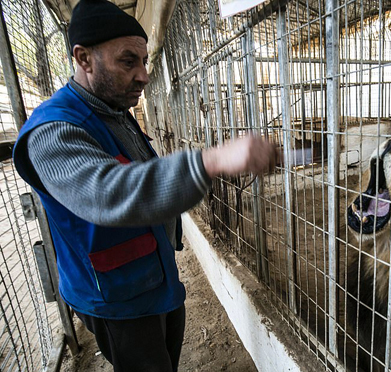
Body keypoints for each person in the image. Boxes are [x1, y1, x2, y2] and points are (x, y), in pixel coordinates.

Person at [12, 0, 277, 371]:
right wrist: (211, 160)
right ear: (84, 58)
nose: (144, 76)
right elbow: (110, 193)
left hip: (153, 279)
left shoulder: (113, 110)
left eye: (144, 61)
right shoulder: (53, 131)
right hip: (116, 300)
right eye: (127, 61)